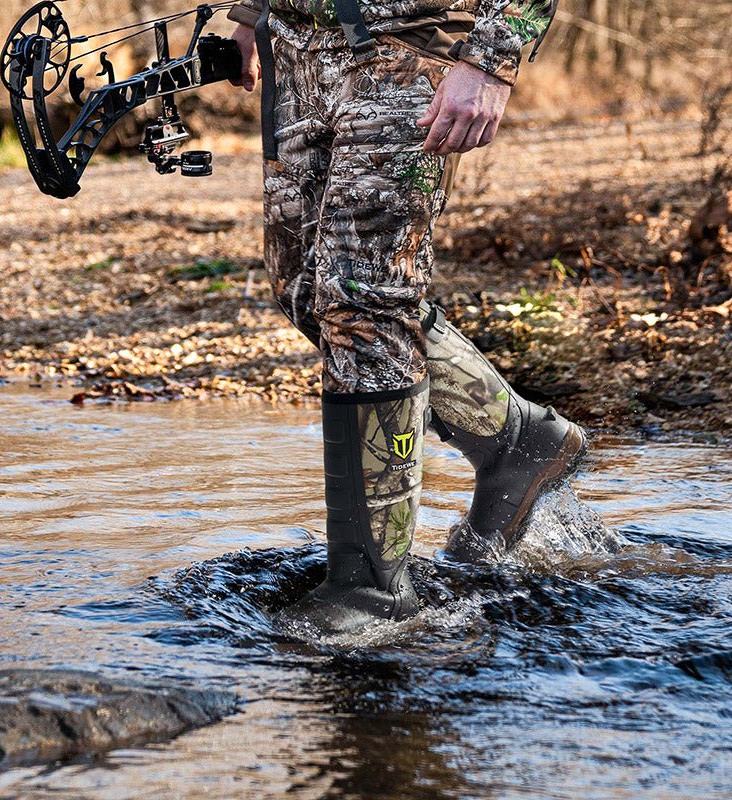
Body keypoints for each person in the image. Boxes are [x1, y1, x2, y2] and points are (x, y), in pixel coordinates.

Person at [225, 0, 586, 632]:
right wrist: (254, 13)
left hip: (408, 49)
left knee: (363, 294)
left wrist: (491, 58)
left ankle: (373, 589)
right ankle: (517, 440)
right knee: (305, 291)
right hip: (296, 50)